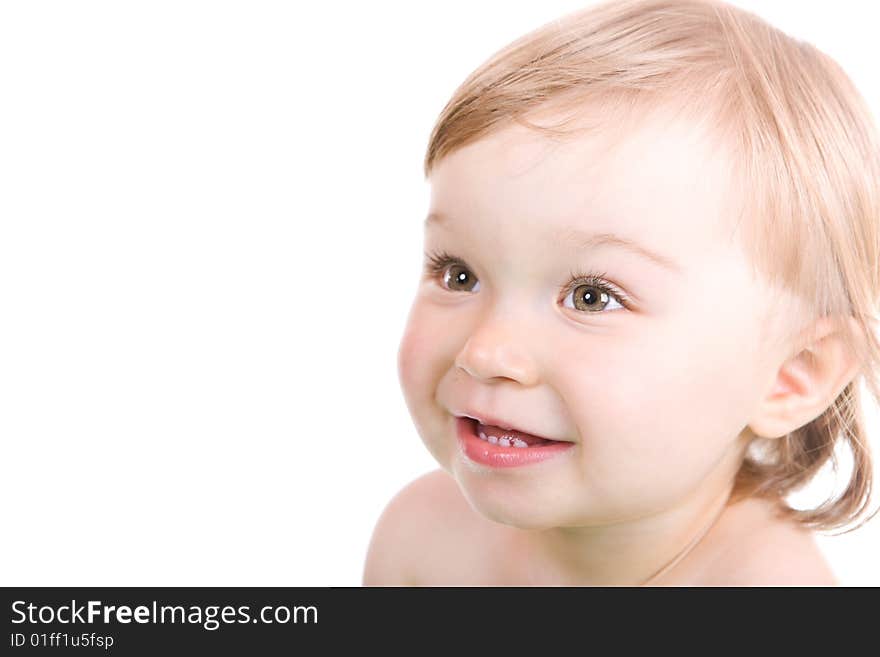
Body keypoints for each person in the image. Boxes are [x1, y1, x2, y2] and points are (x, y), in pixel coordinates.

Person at [363, 0, 880, 586]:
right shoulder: (423, 537)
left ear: (794, 371)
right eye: (458, 273)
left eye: (591, 297)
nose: (484, 352)